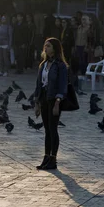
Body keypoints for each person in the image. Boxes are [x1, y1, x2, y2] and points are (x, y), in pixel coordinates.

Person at [34, 38, 68, 171]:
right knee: (47, 129)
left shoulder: (60, 65)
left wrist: (58, 102)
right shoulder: (43, 64)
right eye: (45, 46)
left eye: (48, 46)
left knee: (53, 129)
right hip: (44, 98)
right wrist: (36, 102)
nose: (45, 48)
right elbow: (38, 84)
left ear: (55, 48)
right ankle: (46, 157)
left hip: (54, 99)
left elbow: (62, 85)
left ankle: (53, 159)